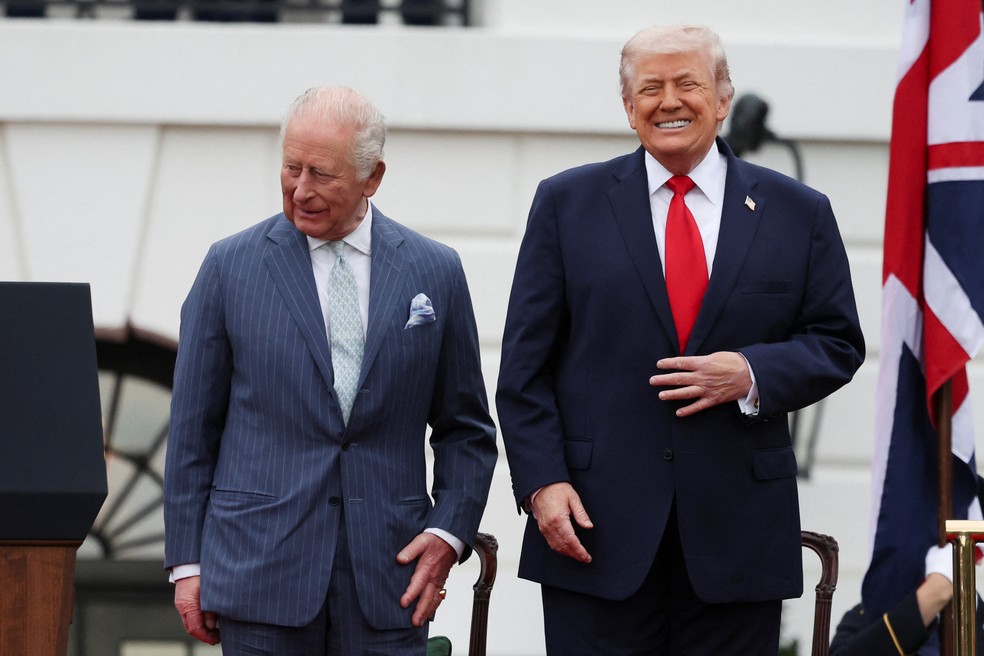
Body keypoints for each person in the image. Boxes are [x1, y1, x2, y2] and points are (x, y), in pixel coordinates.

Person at [495, 24, 865, 655]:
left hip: (736, 540)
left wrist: (750, 373)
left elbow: (836, 343)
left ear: (722, 99)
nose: (669, 101)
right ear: (628, 106)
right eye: (650, 88)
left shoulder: (798, 212)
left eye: (688, 83)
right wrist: (541, 482)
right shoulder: (566, 204)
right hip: (594, 532)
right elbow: (525, 367)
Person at [163, 85, 497, 655]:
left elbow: (466, 429)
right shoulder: (230, 267)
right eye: (291, 168)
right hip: (258, 576)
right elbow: (193, 429)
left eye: (322, 173)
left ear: (373, 177)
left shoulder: (435, 270)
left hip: (391, 579)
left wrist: (447, 533)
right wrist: (187, 564)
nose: (301, 188)